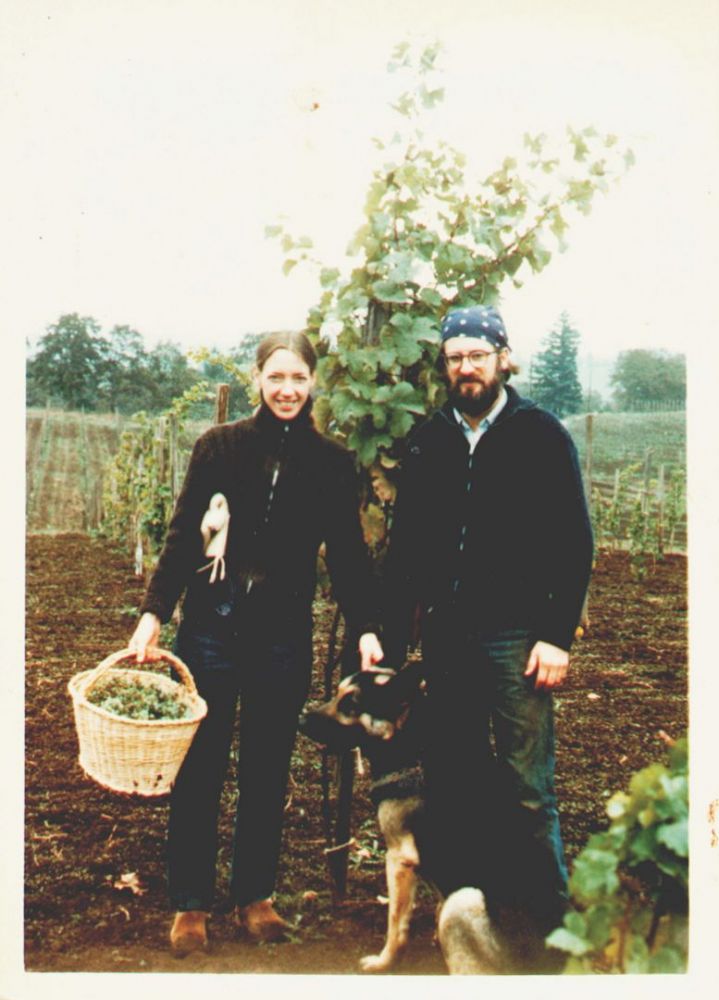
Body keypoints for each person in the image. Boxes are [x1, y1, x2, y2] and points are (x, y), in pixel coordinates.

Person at [129, 331, 383, 955]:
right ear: (257, 379)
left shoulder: (331, 462)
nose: (288, 390)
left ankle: (254, 897)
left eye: (299, 378)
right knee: (201, 766)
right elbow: (185, 532)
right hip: (212, 626)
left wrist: (369, 625)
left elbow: (347, 556)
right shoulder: (219, 446)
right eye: (277, 377)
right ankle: (191, 904)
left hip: (280, 635)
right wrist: (154, 613)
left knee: (267, 767)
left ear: (314, 382)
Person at [380, 304, 593, 971]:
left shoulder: (539, 434)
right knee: (456, 782)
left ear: (503, 357)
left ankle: (552, 939)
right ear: (443, 366)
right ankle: (474, 924)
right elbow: (405, 549)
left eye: (477, 354)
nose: (465, 367)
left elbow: (573, 542)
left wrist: (554, 636)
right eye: (454, 357)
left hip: (514, 638)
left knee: (527, 786)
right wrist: (388, 640)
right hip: (446, 640)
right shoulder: (429, 440)